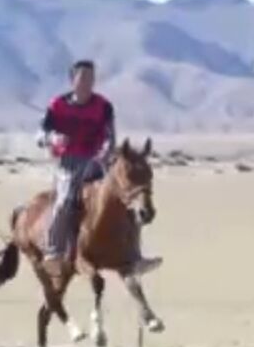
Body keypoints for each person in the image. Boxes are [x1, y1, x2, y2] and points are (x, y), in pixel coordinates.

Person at [36, 60, 161, 275]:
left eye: (91, 78)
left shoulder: (103, 106)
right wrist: (54, 138)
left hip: (96, 163)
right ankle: (54, 252)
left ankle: (135, 257)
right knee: (65, 200)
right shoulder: (57, 105)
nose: (87, 82)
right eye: (82, 77)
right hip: (68, 163)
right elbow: (40, 135)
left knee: (127, 200)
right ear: (72, 79)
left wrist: (103, 154)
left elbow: (110, 137)